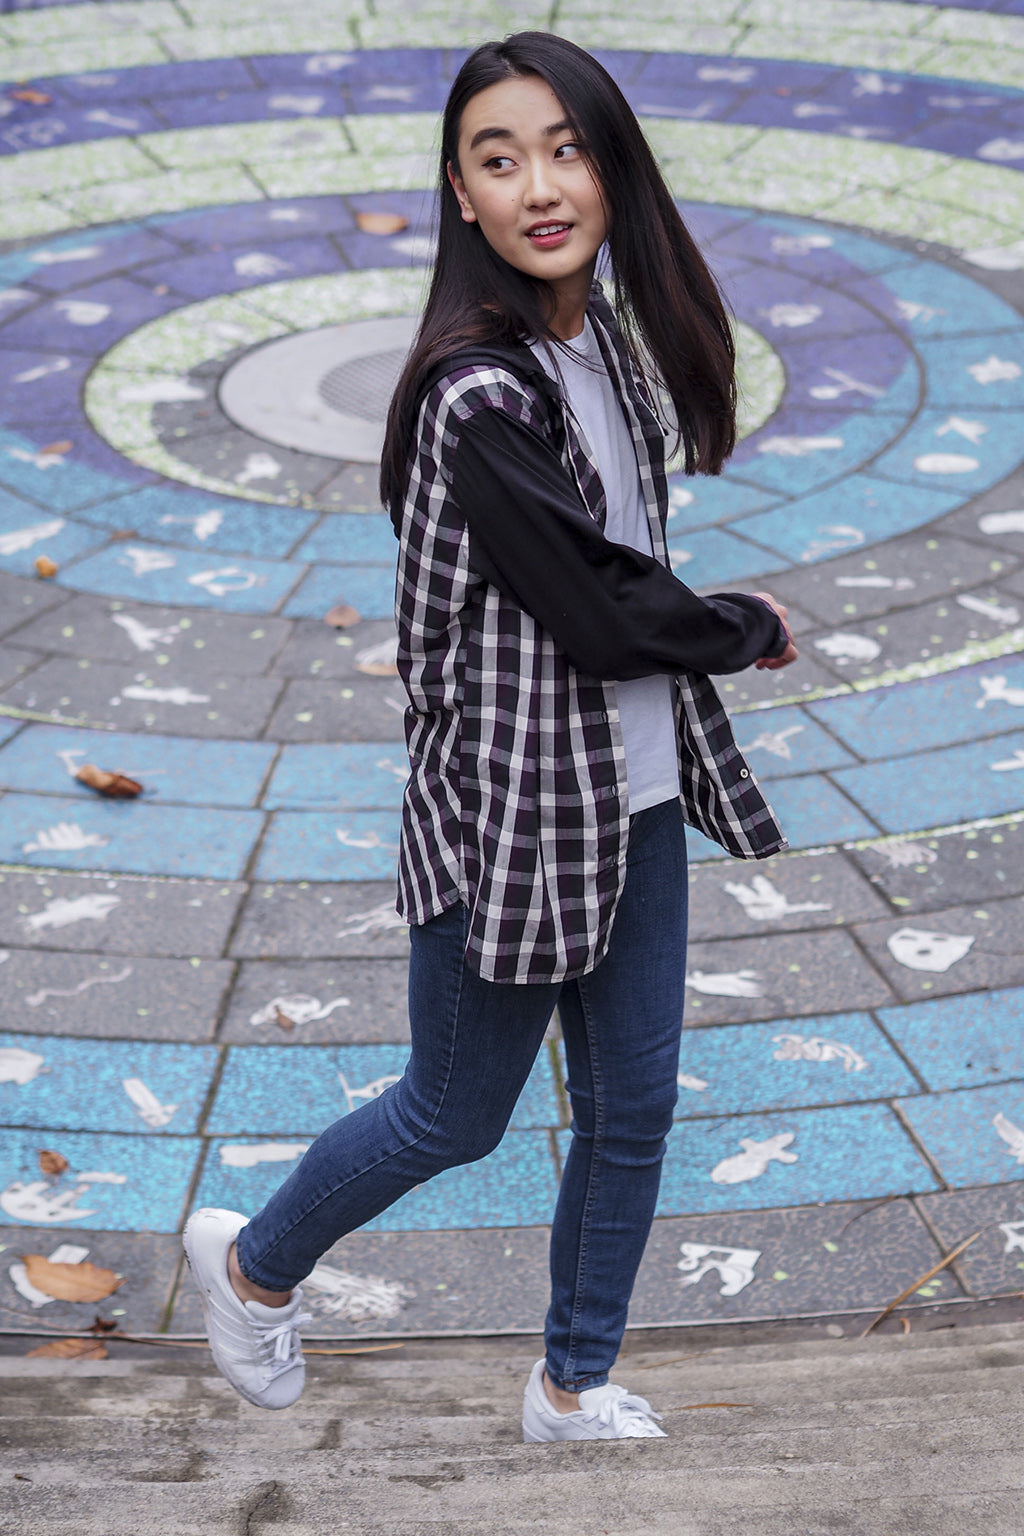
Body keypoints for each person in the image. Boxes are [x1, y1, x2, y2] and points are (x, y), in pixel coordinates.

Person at [184, 30, 798, 1444]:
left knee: (633, 1110)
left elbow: (616, 567)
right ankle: (253, 1266)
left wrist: (698, 631)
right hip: (515, 814)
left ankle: (570, 1384)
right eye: (499, 158)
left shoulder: (603, 342)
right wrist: (743, 625)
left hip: (634, 793)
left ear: (612, 165)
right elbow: (597, 607)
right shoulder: (478, 394)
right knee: (454, 1113)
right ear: (460, 193)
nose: (539, 186)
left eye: (566, 150)